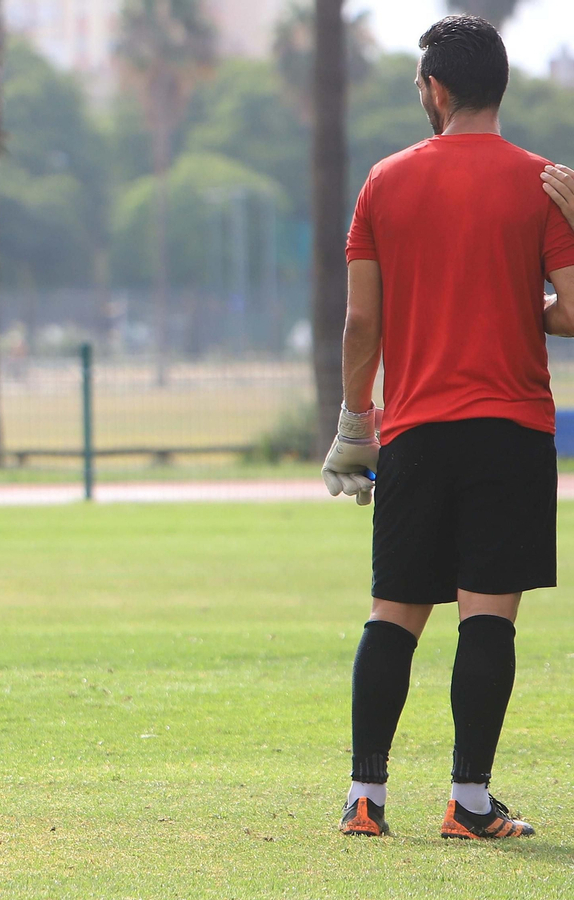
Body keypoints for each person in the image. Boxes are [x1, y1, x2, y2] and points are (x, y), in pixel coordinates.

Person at [323, 15, 574, 838]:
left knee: (391, 613)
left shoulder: (383, 183)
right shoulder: (545, 184)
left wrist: (356, 423)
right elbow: (572, 310)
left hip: (417, 432)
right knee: (487, 618)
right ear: (498, 85)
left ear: (434, 89)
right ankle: (469, 804)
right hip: (510, 431)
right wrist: (527, 302)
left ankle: (367, 799)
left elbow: (363, 325)